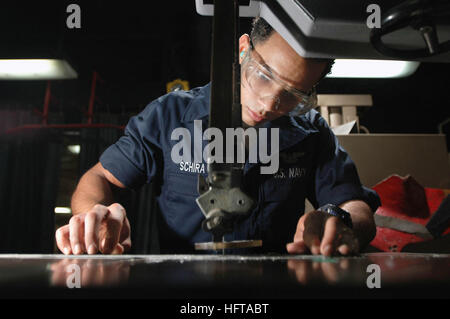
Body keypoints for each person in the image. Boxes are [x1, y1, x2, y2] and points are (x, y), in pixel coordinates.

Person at [55, 17, 380, 256]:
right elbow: (101, 177)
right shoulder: (169, 116)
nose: (270, 104)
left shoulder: (311, 132)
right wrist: (94, 213)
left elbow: (355, 204)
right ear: (242, 50)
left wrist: (341, 223)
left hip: (273, 289)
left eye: (294, 93)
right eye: (264, 76)